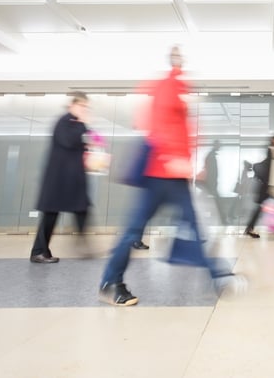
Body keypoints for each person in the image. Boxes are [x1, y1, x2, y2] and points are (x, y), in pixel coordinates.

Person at [100, 47, 242, 306]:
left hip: (173, 175)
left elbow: (179, 131)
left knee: (194, 226)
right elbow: (160, 127)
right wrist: (172, 158)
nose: (181, 59)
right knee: (134, 230)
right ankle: (110, 283)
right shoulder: (169, 87)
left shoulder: (178, 88)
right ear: (174, 62)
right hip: (159, 173)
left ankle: (218, 276)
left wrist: (188, 164)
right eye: (177, 57)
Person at [29, 92, 93, 264]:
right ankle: (39, 252)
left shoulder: (75, 123)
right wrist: (84, 124)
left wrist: (88, 141)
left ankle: (79, 245)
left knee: (81, 209)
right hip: (59, 179)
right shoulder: (64, 121)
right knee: (50, 215)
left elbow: (81, 143)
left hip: (70, 179)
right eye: (81, 106)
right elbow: (68, 141)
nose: (84, 109)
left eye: (86, 107)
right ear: (72, 105)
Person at [198, 140, 227, 225]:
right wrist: (213, 183)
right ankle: (222, 219)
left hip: (210, 183)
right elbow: (211, 172)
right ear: (216, 145)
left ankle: (222, 218)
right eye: (219, 146)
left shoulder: (211, 155)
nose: (220, 147)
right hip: (210, 183)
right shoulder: (211, 156)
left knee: (202, 199)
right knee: (217, 201)